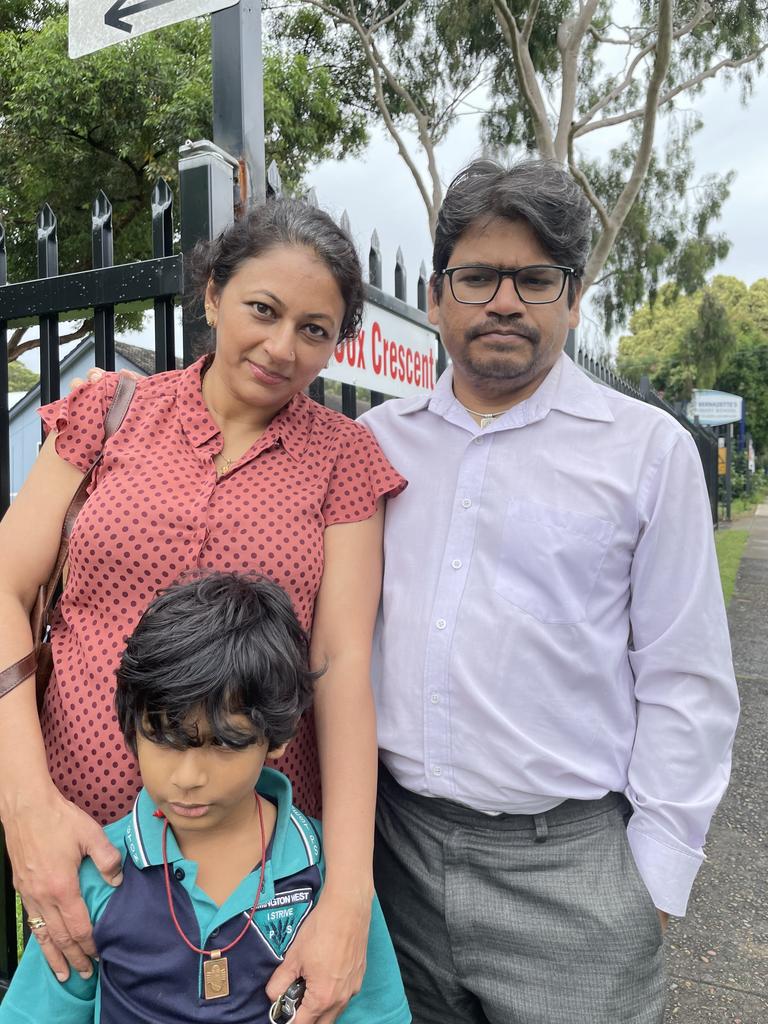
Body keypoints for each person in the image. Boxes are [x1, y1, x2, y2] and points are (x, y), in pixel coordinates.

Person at [0, 198, 405, 1022]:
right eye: (263, 309)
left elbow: (341, 668)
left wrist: (347, 892)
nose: (282, 347)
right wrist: (27, 806)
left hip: (256, 868)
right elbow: (3, 588)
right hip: (85, 841)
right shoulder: (108, 411)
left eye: (316, 330)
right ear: (213, 293)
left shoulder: (343, 458)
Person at [359, 159, 740, 1024]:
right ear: (436, 293)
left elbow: (686, 678)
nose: (504, 301)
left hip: (574, 876)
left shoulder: (646, 450)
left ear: (572, 297)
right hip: (398, 858)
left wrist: (653, 880)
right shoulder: (376, 444)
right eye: (479, 276)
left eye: (535, 279)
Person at [0, 571, 411, 1024]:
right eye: (163, 738)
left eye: (223, 744)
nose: (188, 777)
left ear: (279, 735)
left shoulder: (330, 877)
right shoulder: (100, 872)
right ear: (130, 726)